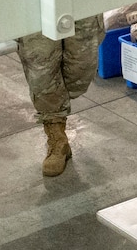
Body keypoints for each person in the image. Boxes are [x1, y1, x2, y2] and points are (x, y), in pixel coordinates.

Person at [16, 15, 104, 177]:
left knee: (82, 64)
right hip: (32, 2)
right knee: (42, 71)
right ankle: (57, 138)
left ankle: (56, 106)